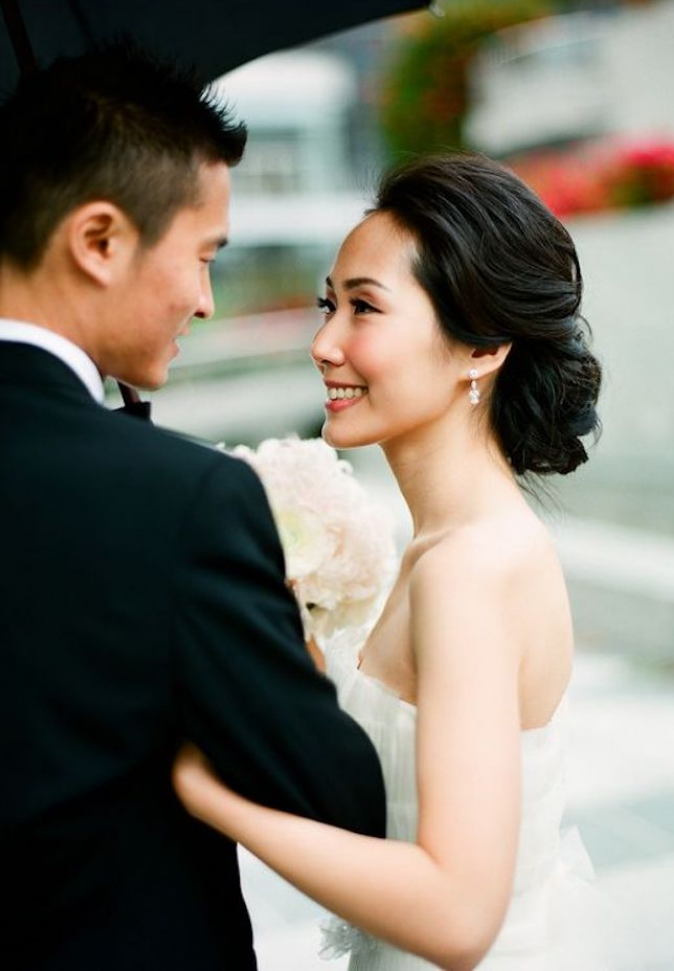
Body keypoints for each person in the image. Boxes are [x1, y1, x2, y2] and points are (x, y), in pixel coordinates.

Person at [0, 44, 386, 971]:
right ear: (99, 241)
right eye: (203, 257)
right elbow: (337, 794)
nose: (204, 302)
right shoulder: (179, 500)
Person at [173, 153, 608, 971]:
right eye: (327, 304)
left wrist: (206, 794)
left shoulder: (467, 570)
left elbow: (454, 917)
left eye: (364, 309)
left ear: (481, 348)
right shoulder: (444, 547)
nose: (323, 343)